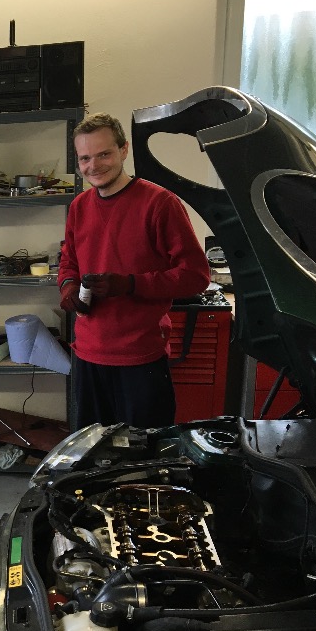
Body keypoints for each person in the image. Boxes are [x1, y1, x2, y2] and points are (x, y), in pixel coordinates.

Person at [58, 112, 210, 429]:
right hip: (88, 355)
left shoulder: (160, 204)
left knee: (144, 451)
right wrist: (68, 285)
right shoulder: (79, 207)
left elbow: (195, 276)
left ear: (124, 149)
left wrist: (130, 285)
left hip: (141, 358)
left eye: (104, 154)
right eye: (85, 158)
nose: (94, 166)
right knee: (93, 450)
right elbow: (69, 259)